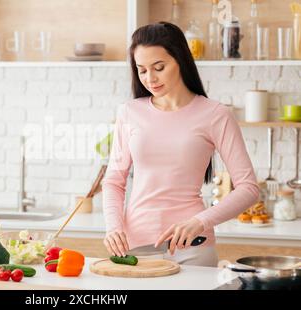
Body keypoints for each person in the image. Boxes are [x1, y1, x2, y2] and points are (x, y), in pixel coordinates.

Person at [101, 22, 259, 267]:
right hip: (137, 248)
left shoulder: (216, 114)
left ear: (181, 60)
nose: (150, 78)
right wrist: (113, 227)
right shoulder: (130, 112)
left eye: (159, 67)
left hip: (193, 248)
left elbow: (248, 188)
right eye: (141, 70)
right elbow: (113, 180)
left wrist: (200, 221)